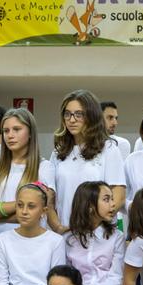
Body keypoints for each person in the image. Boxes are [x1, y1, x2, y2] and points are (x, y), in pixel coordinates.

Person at [50, 90, 126, 230]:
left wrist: (93, 223)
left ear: (91, 116)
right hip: (66, 234)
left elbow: (118, 195)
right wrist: (58, 227)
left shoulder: (108, 149)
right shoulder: (58, 152)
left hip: (98, 233)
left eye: (79, 114)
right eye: (67, 114)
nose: (72, 120)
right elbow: (50, 199)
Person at [0, 107, 55, 237]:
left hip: (31, 241)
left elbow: (42, 211)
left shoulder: (44, 167)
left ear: (30, 132)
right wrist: (26, 204)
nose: (10, 135)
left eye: (17, 129)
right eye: (6, 131)